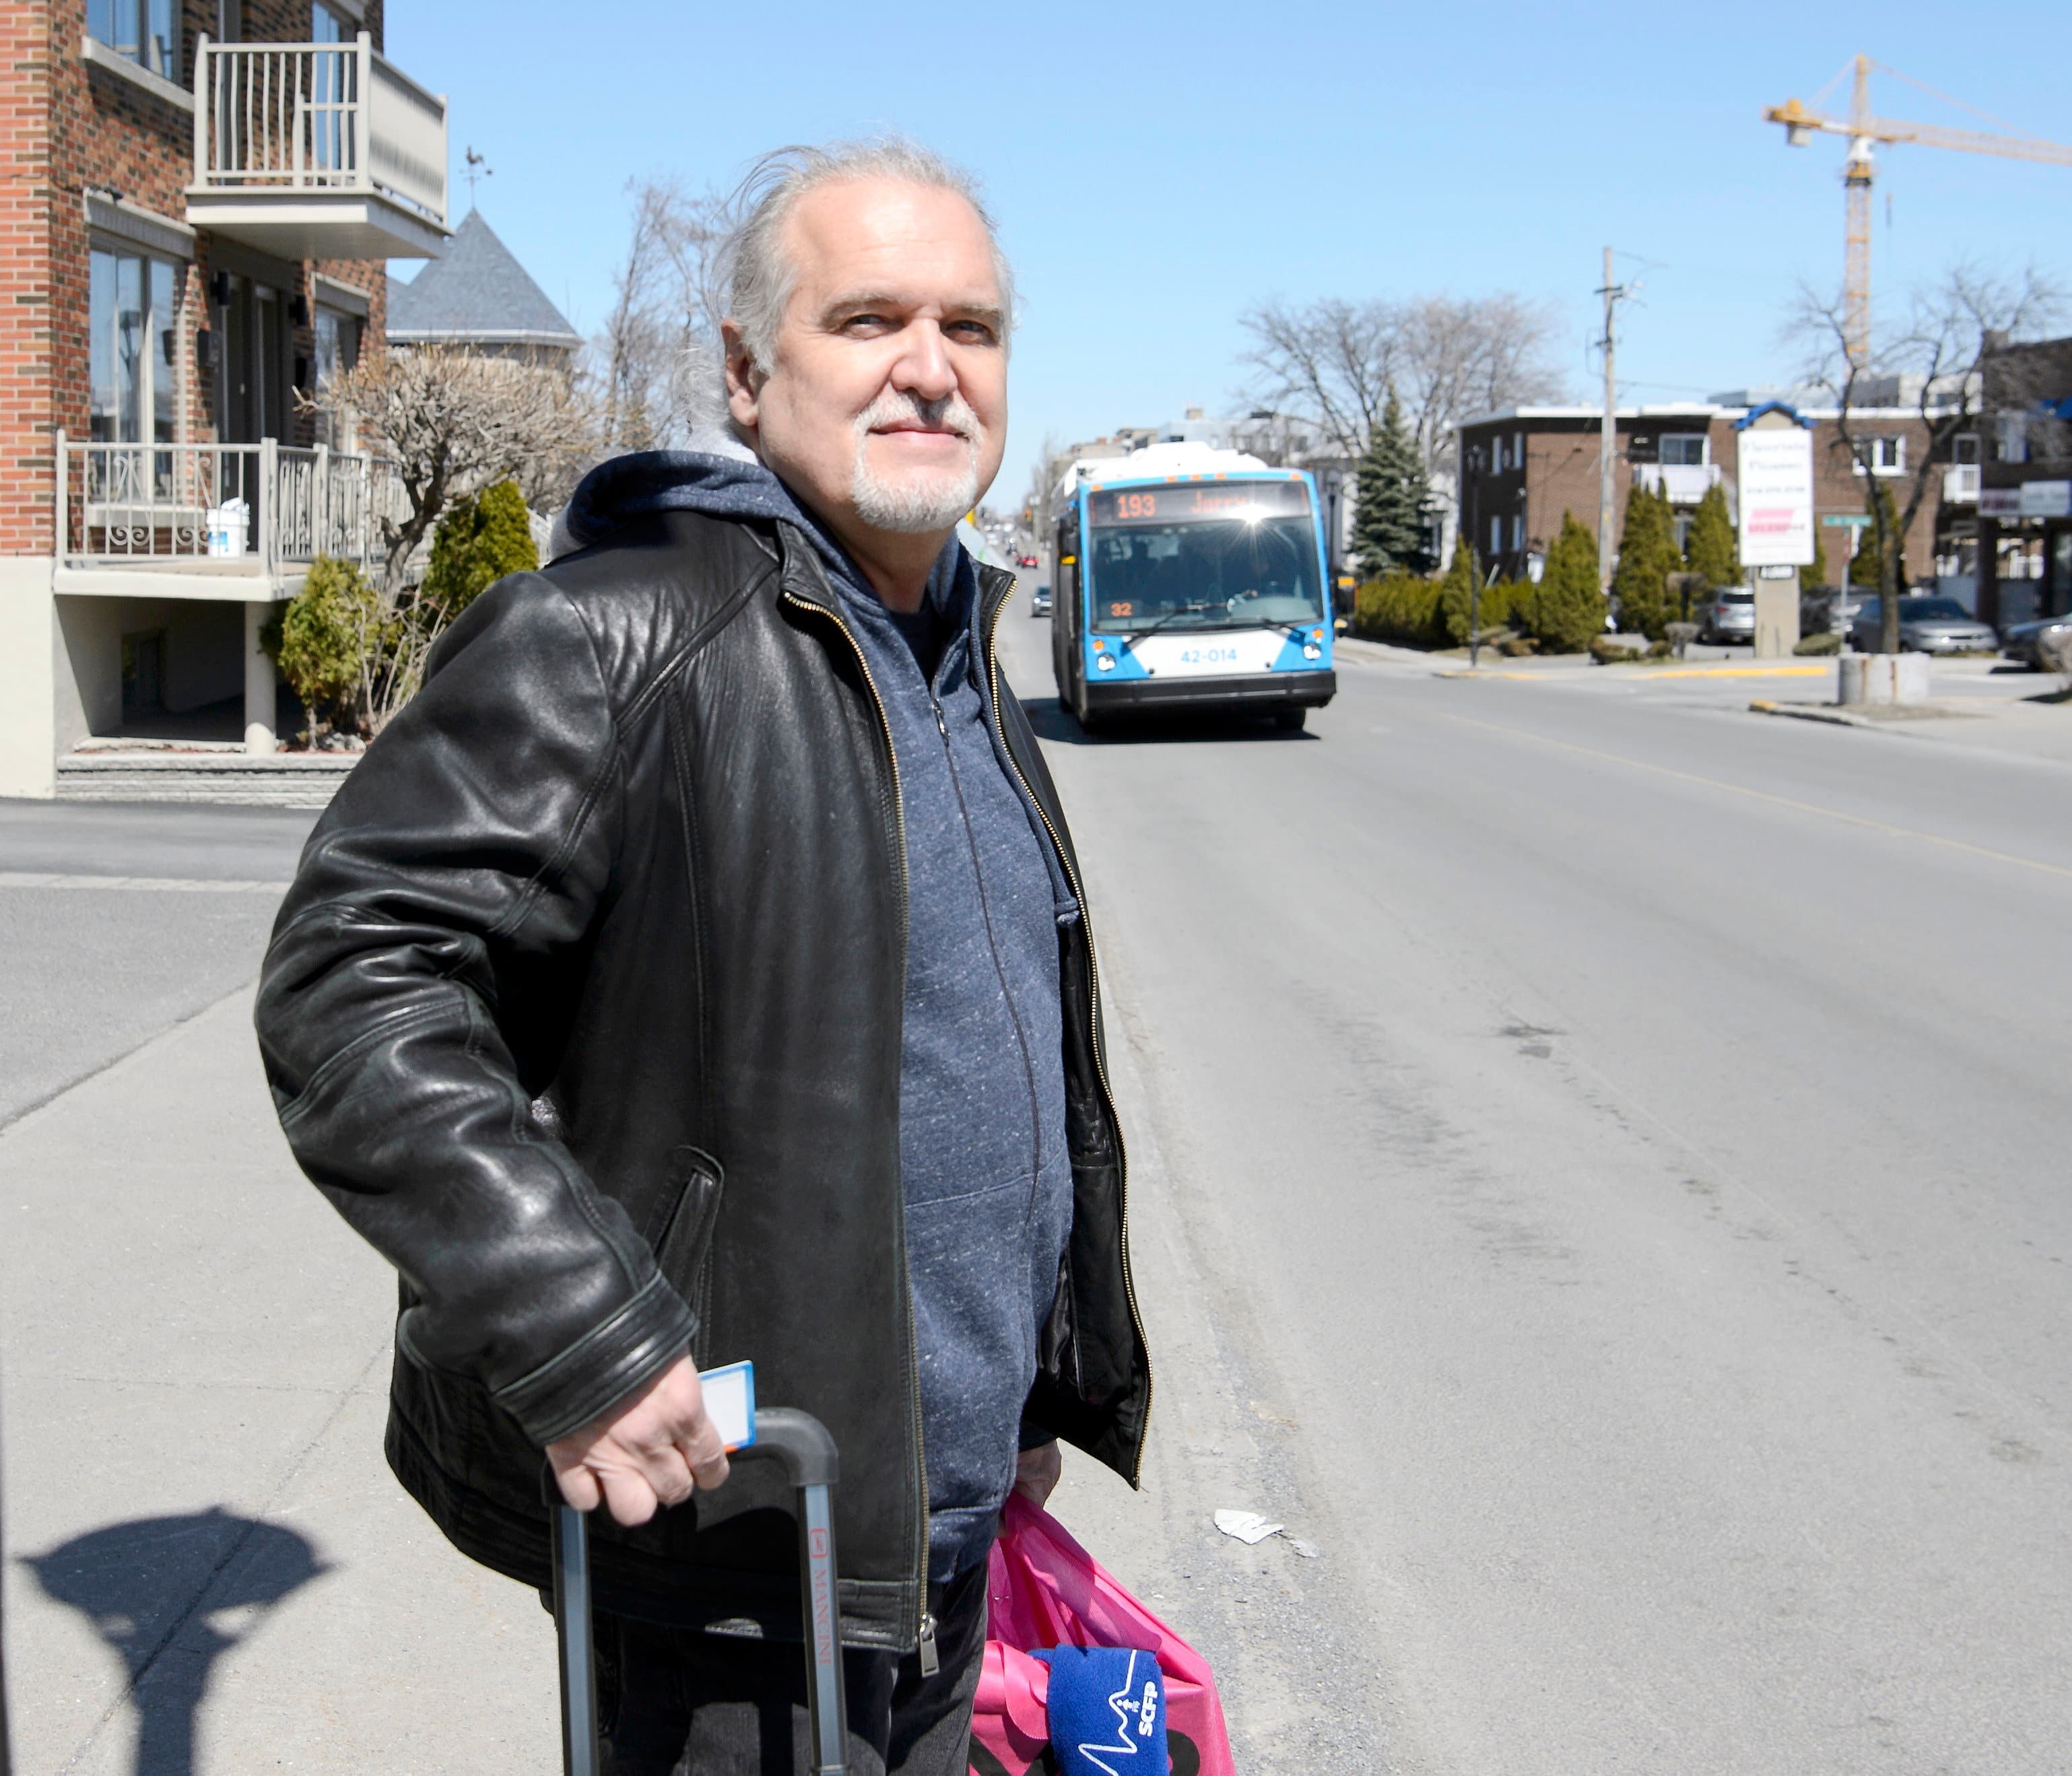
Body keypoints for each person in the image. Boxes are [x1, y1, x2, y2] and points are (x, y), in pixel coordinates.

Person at [253, 139, 1150, 1775]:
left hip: (935, 1538)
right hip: (733, 1545)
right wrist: (580, 1327)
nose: (931, 369)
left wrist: (1029, 1396)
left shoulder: (964, 658)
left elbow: (981, 1066)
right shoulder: (614, 636)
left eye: (974, 326)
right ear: (746, 372)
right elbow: (355, 976)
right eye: (868, 318)